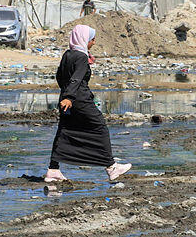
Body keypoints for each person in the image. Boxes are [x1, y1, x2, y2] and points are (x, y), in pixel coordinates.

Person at [46, 24, 132, 182]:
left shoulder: (68, 54)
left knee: (64, 130)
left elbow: (60, 76)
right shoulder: (80, 57)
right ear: (84, 40)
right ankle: (111, 167)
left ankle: (53, 169)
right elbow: (76, 78)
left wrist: (65, 94)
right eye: (92, 39)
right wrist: (70, 97)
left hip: (67, 99)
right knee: (100, 127)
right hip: (79, 100)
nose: (93, 42)